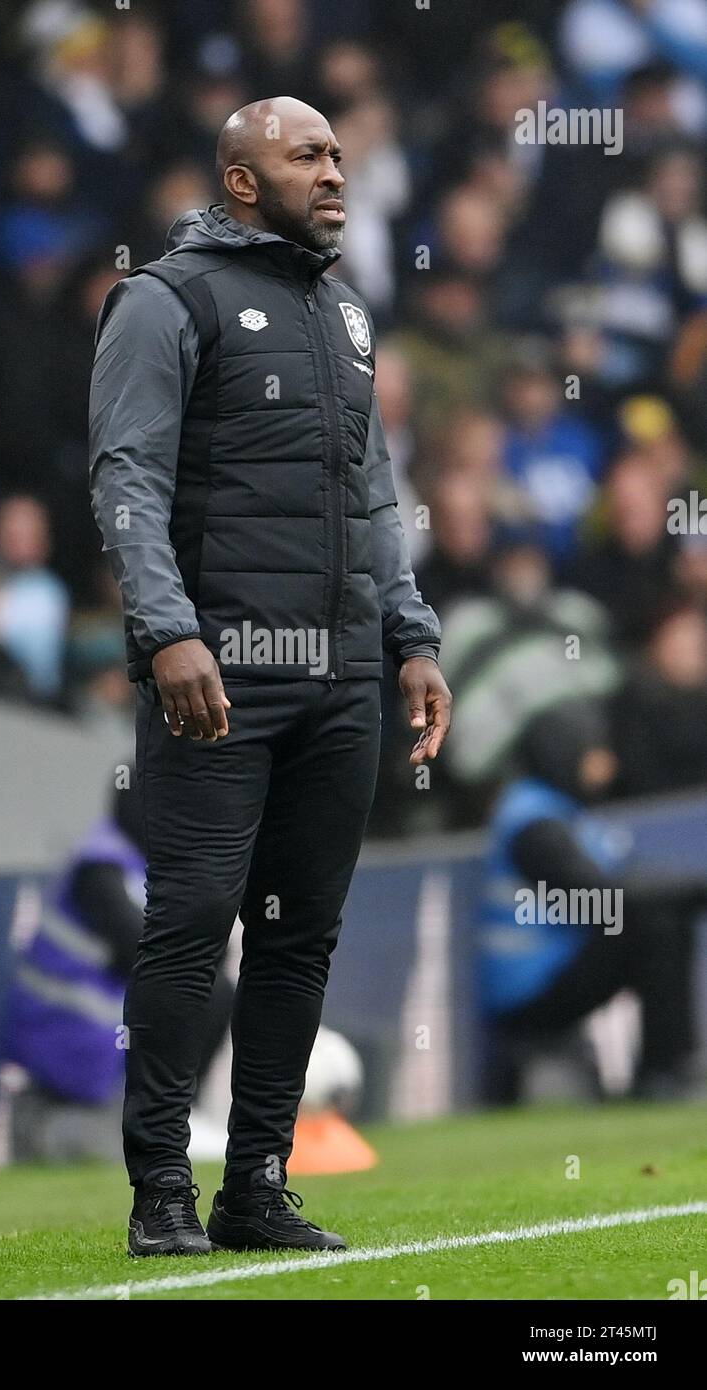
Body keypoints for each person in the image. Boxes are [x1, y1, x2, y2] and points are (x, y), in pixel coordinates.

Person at [89, 96, 450, 1256]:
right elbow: (125, 475)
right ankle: (158, 1189)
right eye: (308, 156)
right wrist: (166, 633)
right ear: (242, 181)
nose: (335, 171)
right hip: (218, 676)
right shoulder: (163, 298)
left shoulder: (344, 312)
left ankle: (256, 1182)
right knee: (189, 925)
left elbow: (371, 495)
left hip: (341, 677)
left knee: (298, 937)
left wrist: (411, 636)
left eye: (340, 153)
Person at [477, 700, 706, 1105]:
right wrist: (691, 891)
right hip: (530, 995)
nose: (606, 764)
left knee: (661, 918)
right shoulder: (533, 822)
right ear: (565, 750)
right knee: (656, 928)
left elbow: (627, 881)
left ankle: (668, 1068)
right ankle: (664, 1074)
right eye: (595, 751)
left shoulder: (564, 811)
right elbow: (598, 899)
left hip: (560, 973)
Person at [3, 778, 234, 1163]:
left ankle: (179, 1116)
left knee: (212, 988)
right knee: (197, 988)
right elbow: (148, 951)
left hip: (103, 1039)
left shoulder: (145, 862)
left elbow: (205, 947)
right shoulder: (100, 867)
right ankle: (169, 1122)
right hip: (64, 1039)